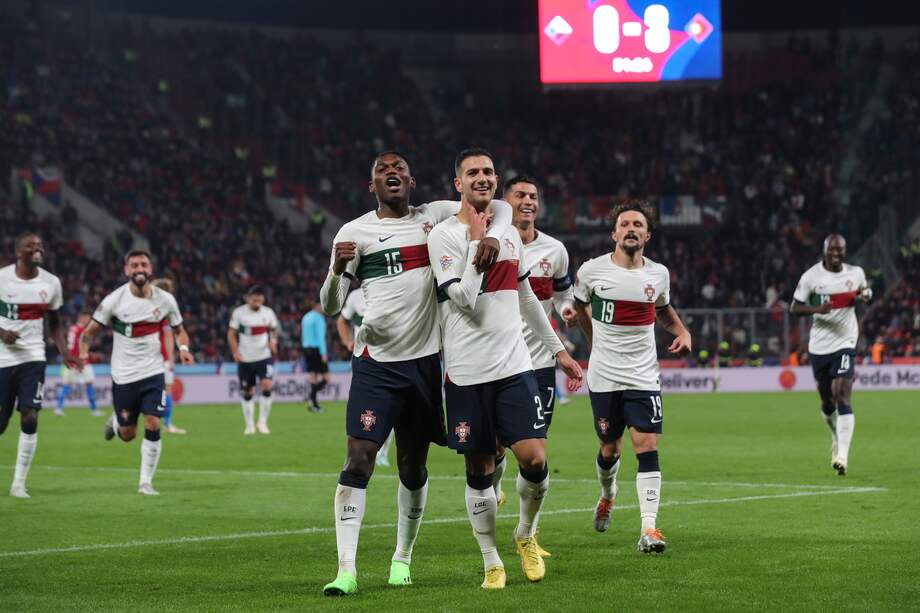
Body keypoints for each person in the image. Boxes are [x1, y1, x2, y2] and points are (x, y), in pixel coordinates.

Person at [319, 150, 512, 596]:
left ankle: (402, 558)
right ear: (371, 185)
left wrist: (493, 236)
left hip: (424, 364)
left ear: (412, 181)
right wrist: (336, 270)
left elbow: (498, 206)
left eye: (400, 168)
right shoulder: (353, 233)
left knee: (412, 464)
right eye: (382, 170)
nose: (392, 172)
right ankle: (346, 570)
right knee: (359, 458)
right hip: (375, 365)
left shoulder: (435, 216)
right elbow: (331, 305)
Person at [428, 149, 583, 588]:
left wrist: (558, 351)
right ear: (457, 183)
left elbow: (527, 297)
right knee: (480, 471)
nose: (482, 178)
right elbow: (463, 300)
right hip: (466, 373)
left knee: (535, 458)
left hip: (515, 367)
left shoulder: (510, 233)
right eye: (473, 172)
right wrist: (478, 245)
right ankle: (491, 560)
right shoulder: (443, 236)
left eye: (489, 172)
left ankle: (526, 534)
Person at [572, 200, 692, 555]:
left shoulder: (658, 274)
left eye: (638, 225)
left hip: (643, 376)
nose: (631, 229)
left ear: (647, 235)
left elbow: (663, 310)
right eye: (624, 224)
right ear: (614, 233)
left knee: (647, 446)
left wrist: (682, 331)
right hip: (605, 378)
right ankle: (608, 494)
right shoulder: (591, 271)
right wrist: (592, 341)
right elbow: (579, 305)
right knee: (609, 449)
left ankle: (649, 528)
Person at [490, 175, 576, 558]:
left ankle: (530, 534)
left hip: (539, 363)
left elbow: (563, 294)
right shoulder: (491, 244)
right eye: (520, 195)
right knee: (495, 448)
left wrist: (567, 309)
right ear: (504, 202)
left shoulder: (555, 250)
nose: (528, 201)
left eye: (533, 196)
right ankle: (494, 487)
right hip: (497, 361)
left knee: (536, 452)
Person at [79, 250, 195, 495]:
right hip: (124, 375)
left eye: (144, 264)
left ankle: (145, 482)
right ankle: (117, 422)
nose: (139, 269)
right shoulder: (114, 300)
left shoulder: (165, 300)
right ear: (127, 270)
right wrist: (82, 354)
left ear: (150, 269)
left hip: (153, 371)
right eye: (134, 265)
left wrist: (183, 349)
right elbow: (89, 333)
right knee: (128, 434)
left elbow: (180, 331)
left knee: (153, 422)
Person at [1, 233, 81, 498]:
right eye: (31, 246)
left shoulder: (51, 283)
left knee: (30, 415)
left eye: (40, 246)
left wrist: (65, 352)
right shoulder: (2, 278)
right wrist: (2, 333)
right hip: (3, 358)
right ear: (18, 252)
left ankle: (18, 484)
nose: (38, 249)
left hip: (33, 357)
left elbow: (55, 323)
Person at [790, 234, 871, 476]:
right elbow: (794, 307)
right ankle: (836, 437)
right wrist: (817, 309)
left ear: (845, 251)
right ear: (824, 251)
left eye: (840, 250)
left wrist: (866, 294)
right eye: (832, 250)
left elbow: (865, 291)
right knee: (827, 402)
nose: (836, 254)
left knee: (842, 395)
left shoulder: (855, 273)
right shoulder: (811, 277)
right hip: (819, 347)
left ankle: (843, 456)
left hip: (845, 341)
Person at [336, 288, 393, 467]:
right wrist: (347, 341)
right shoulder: (355, 296)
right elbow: (342, 320)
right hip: (364, 361)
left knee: (391, 409)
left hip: (392, 358)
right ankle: (360, 453)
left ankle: (382, 453)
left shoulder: (392, 287)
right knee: (361, 410)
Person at [228, 286, 280, 434]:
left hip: (264, 356)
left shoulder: (268, 313)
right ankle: (249, 425)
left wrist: (273, 341)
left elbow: (274, 329)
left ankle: (262, 422)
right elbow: (231, 333)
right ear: (248, 298)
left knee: (267, 385)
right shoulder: (239, 313)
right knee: (247, 391)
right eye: (254, 298)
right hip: (245, 358)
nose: (257, 301)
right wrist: (235, 351)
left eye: (259, 298)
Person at [152, 278, 185, 434]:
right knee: (167, 390)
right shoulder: (163, 313)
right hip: (161, 359)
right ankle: (167, 424)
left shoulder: (148, 311)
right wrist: (171, 358)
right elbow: (168, 336)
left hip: (147, 358)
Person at [56, 310, 100, 416]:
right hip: (80, 361)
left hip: (73, 360)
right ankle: (94, 410)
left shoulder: (73, 328)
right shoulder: (82, 330)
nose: (88, 320)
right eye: (87, 318)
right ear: (81, 317)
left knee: (69, 384)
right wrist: (80, 361)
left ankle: (59, 408)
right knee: (87, 384)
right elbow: (79, 346)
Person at [301, 300, 329, 413]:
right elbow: (321, 337)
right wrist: (324, 353)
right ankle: (310, 396)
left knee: (313, 377)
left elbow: (303, 335)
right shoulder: (319, 318)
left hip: (306, 349)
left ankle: (314, 405)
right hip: (316, 349)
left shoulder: (305, 317)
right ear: (317, 306)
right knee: (326, 378)